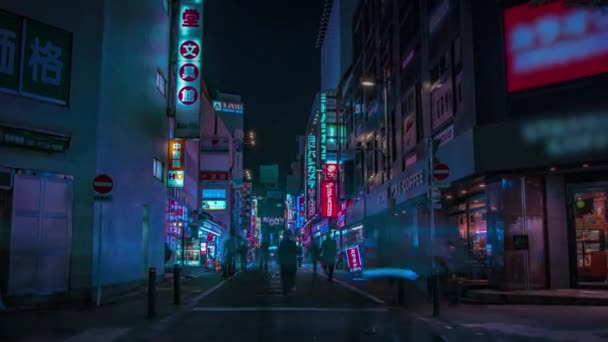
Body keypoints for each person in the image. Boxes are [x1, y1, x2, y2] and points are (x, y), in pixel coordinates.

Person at [278, 230, 298, 294]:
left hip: (284, 263)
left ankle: (285, 289)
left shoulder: (282, 243)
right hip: (292, 262)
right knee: (292, 276)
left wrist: (279, 260)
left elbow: (279, 252)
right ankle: (292, 286)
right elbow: (297, 251)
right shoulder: (293, 243)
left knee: (284, 276)